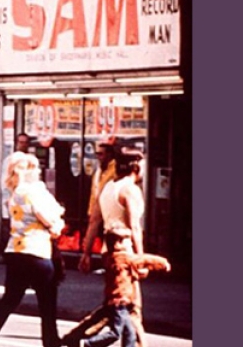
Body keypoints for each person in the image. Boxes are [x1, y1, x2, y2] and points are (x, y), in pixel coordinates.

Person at [0, 153, 65, 347]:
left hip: (15, 251)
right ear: (23, 171)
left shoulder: (14, 193)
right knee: (47, 300)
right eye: (31, 167)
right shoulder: (30, 192)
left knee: (11, 297)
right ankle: (50, 341)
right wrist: (55, 226)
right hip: (37, 250)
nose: (36, 171)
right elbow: (46, 217)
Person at [62, 145, 149, 347]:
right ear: (136, 167)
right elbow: (135, 226)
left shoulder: (108, 187)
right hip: (125, 253)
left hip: (108, 253)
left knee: (117, 305)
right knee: (130, 306)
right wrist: (141, 259)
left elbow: (94, 221)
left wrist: (86, 253)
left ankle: (75, 339)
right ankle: (87, 342)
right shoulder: (130, 190)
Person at [77, 232, 171, 347]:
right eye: (128, 241)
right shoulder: (124, 258)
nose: (131, 244)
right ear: (118, 244)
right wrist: (164, 263)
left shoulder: (109, 257)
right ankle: (88, 344)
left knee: (130, 332)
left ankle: (76, 339)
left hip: (116, 301)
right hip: (120, 302)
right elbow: (145, 259)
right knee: (115, 333)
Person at [77, 140, 117, 272]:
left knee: (110, 239)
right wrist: (91, 209)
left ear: (110, 154)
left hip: (111, 210)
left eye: (102, 154)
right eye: (97, 154)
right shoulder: (99, 170)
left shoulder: (115, 169)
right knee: (101, 237)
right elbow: (94, 191)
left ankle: (109, 263)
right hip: (97, 209)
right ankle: (97, 261)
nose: (99, 157)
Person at [0, 133, 31, 257]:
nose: (23, 145)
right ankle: (6, 253)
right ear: (16, 143)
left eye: (25, 142)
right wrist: (9, 199)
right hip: (12, 200)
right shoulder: (10, 160)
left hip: (23, 201)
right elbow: (5, 183)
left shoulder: (28, 159)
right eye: (21, 142)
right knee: (10, 226)